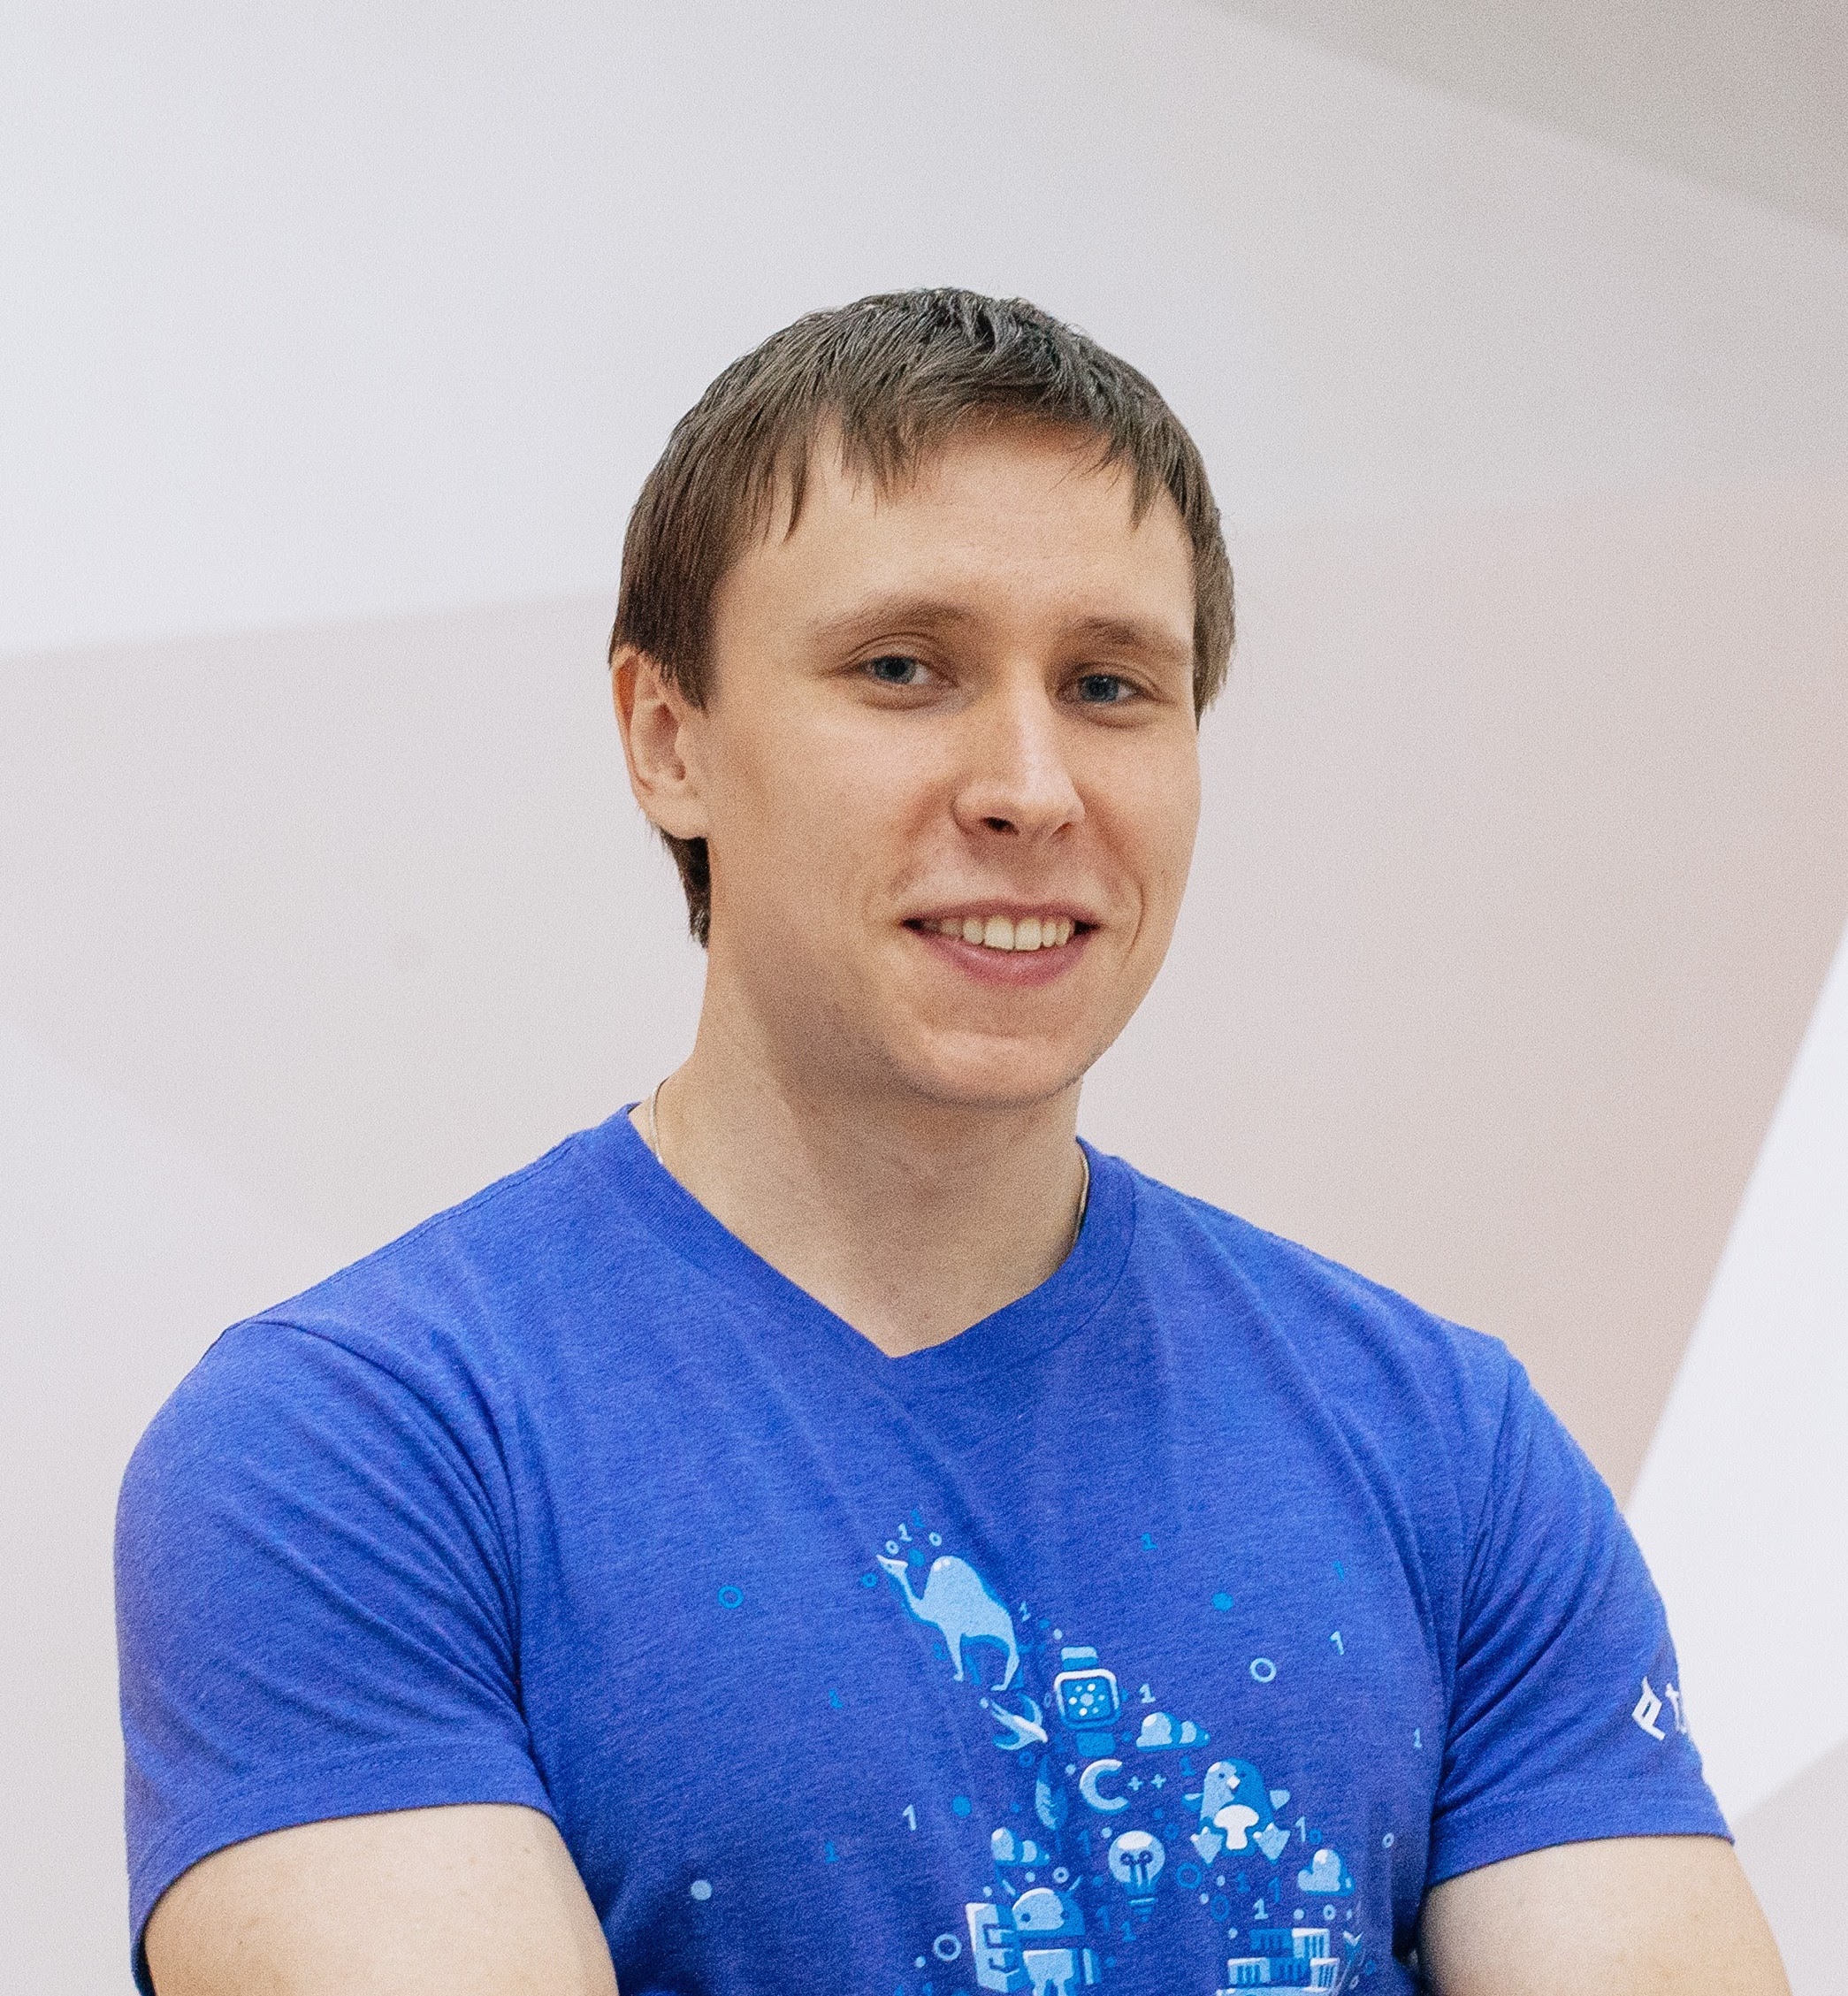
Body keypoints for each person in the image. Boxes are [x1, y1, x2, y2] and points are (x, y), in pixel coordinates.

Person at [116, 289, 1785, 1996]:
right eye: (902, 668)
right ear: (666, 734)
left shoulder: (1447, 1450)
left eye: (1111, 683)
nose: (1030, 786)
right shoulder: (351, 1455)